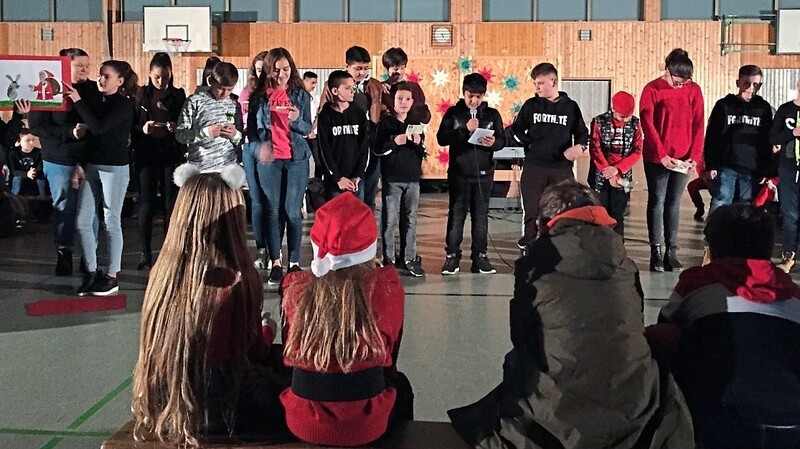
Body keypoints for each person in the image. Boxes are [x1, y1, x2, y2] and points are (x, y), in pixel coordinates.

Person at [448, 179, 694, 449]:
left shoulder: (533, 266)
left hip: (555, 411)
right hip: (632, 405)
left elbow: (522, 337)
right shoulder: (625, 264)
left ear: (546, 222)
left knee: (516, 361)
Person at [132, 164, 284, 448]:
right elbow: (245, 351)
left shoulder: (163, 272)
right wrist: (267, 329)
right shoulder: (234, 278)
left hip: (167, 399)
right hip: (218, 410)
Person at [647, 204, 800, 449]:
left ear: (714, 246)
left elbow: (664, 327)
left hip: (722, 419)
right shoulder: (793, 293)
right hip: (791, 423)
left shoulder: (697, 282)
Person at [280, 192, 412, 447]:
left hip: (304, 422)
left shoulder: (294, 287)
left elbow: (291, 351)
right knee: (402, 387)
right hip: (367, 424)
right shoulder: (387, 288)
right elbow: (390, 360)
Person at [67, 60, 138, 296]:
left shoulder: (124, 106)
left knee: (111, 220)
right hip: (93, 167)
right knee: (83, 220)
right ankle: (90, 270)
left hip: (114, 169)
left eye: (106, 76)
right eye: (100, 75)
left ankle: (112, 274)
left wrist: (78, 100)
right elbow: (91, 138)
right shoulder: (98, 101)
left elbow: (98, 128)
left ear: (120, 81)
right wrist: (81, 164)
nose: (101, 80)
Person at [248, 47, 312, 286]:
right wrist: (260, 148)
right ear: (268, 71)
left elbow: (307, 129)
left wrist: (296, 119)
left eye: (285, 69)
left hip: (296, 159)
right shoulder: (258, 97)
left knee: (292, 212)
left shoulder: (300, 95)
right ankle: (276, 261)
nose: (281, 75)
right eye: (276, 71)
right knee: (272, 211)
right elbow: (251, 134)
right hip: (270, 161)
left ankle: (294, 262)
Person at [29, 48, 94, 276]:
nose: (85, 69)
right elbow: (37, 126)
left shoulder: (93, 90)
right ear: (66, 66)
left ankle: (89, 258)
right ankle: (64, 253)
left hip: (89, 159)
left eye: (88, 65)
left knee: (90, 210)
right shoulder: (48, 90)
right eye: (80, 65)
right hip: (59, 158)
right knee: (64, 207)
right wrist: (69, 132)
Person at [509, 62, 589, 248]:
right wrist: (530, 143)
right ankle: (529, 240)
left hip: (561, 167)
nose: (537, 88)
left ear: (553, 82)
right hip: (534, 165)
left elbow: (582, 134)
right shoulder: (531, 105)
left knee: (563, 206)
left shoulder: (570, 107)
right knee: (531, 207)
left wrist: (580, 147)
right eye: (535, 84)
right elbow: (517, 130)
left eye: (541, 83)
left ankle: (560, 241)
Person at [640, 48, 705, 272]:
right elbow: (647, 123)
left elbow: (698, 123)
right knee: (657, 200)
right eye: (677, 81)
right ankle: (655, 251)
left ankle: (672, 251)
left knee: (674, 202)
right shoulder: (652, 89)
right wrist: (661, 154)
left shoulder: (693, 90)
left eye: (684, 82)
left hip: (683, 158)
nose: (680, 86)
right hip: (658, 157)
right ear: (667, 71)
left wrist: (694, 156)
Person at [437, 73, 506, 275]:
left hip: (484, 174)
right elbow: (442, 138)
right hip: (459, 174)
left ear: (484, 95)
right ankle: (451, 258)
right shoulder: (453, 113)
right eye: (470, 96)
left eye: (478, 96)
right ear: (463, 93)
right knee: (457, 216)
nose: (474, 100)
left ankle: (480, 257)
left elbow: (502, 140)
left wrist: (495, 144)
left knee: (481, 217)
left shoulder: (492, 115)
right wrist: (464, 130)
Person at [132, 52, 187, 270]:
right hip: (146, 153)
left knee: (169, 204)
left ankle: (168, 252)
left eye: (165, 77)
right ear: (149, 74)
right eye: (157, 77)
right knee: (146, 203)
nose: (161, 81)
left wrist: (176, 127)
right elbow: (132, 124)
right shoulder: (141, 96)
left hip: (169, 153)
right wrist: (142, 128)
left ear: (171, 74)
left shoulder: (178, 95)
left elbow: (186, 123)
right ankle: (145, 253)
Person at [704, 64, 773, 216]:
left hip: (751, 168)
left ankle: (740, 237)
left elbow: (767, 141)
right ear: (738, 83)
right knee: (721, 200)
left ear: (760, 85)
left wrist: (766, 170)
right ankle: (714, 235)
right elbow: (712, 136)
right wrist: (710, 165)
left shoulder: (763, 108)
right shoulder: (724, 105)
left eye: (755, 84)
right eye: (746, 83)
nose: (750, 88)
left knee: (745, 205)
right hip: (726, 165)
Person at [374, 82, 427, 277]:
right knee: (390, 220)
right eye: (399, 99)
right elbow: (378, 149)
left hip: (412, 179)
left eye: (407, 99)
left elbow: (423, 152)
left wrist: (419, 144)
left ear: (412, 102)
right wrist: (394, 143)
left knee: (410, 219)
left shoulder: (416, 125)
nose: (403, 102)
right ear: (393, 101)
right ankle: (389, 258)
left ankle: (409, 258)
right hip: (392, 179)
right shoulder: (386, 124)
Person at [587, 91, 643, 237]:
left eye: (628, 117)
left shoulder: (635, 124)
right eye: (622, 117)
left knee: (618, 215)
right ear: (613, 109)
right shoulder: (599, 122)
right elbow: (595, 148)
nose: (625, 120)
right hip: (601, 176)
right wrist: (608, 171)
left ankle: (618, 247)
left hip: (623, 177)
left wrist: (618, 170)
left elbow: (637, 150)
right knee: (600, 214)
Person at [240, 51, 276, 270]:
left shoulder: (274, 92)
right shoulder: (248, 92)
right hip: (250, 147)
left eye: (266, 68)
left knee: (272, 202)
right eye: (259, 68)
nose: (262, 72)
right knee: (256, 201)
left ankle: (275, 252)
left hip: (271, 148)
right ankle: (261, 249)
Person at [176, 62, 243, 173]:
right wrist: (204, 133)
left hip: (228, 169)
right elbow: (180, 135)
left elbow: (242, 139)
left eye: (230, 89)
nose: (224, 94)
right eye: (221, 88)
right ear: (210, 81)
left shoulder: (234, 104)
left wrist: (235, 135)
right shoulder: (194, 102)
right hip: (201, 168)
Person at [316, 70, 369, 200]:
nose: (352, 91)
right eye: (347, 88)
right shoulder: (325, 115)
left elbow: (364, 147)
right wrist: (337, 177)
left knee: (356, 217)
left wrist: (357, 176)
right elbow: (324, 149)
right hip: (335, 180)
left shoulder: (359, 114)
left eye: (354, 87)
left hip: (355, 179)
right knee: (336, 218)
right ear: (335, 91)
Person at [770, 79, 800, 273]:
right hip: (788, 167)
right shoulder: (785, 110)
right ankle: (788, 253)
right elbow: (773, 138)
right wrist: (793, 132)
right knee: (790, 214)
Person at [379, 47, 431, 125]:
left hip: (412, 132)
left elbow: (424, 115)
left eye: (402, 68)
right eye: (396, 69)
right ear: (387, 69)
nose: (399, 72)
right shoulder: (380, 88)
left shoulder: (414, 87)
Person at [7, 128, 46, 196]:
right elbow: (13, 170)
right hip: (20, 175)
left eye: (33, 140)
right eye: (27, 140)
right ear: (19, 141)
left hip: (34, 175)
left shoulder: (38, 152)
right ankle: (15, 199)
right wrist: (26, 174)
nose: (31, 143)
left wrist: (35, 172)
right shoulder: (13, 153)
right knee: (17, 179)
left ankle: (43, 199)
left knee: (41, 180)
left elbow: (40, 167)